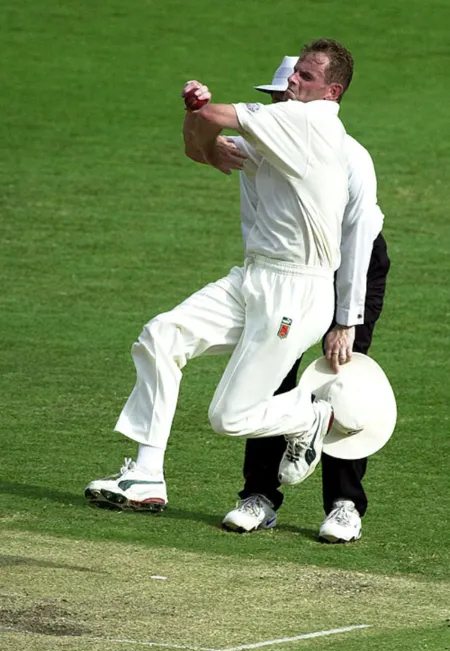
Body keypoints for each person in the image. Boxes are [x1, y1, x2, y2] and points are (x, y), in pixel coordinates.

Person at [85, 38, 356, 511]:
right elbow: (198, 145)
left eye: (306, 77)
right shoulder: (284, 128)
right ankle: (147, 474)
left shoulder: (309, 123)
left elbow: (210, 123)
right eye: (295, 73)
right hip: (254, 277)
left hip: (297, 291)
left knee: (228, 418)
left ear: (331, 93)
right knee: (161, 336)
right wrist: (206, 137)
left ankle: (308, 416)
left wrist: (201, 108)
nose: (292, 80)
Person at [217, 56, 390, 542]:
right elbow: (257, 226)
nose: (279, 113)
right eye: (273, 102)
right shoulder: (261, 156)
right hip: (288, 272)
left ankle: (344, 505)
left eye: (286, 100)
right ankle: (259, 496)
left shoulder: (350, 156)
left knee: (341, 375)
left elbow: (357, 241)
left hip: (351, 267)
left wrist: (345, 319)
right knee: (269, 371)